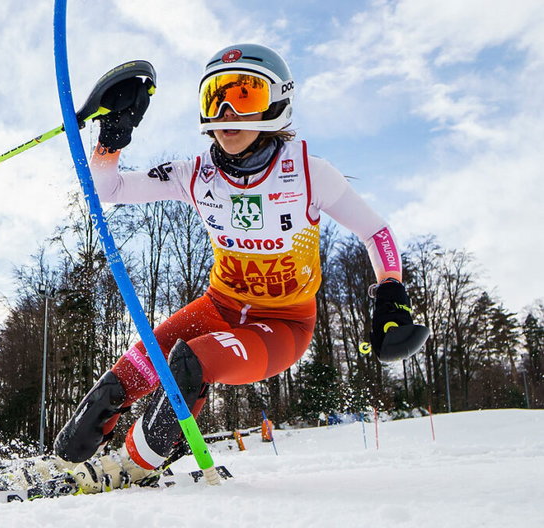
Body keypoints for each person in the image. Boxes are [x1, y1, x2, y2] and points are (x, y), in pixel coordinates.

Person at [50, 43, 417, 492]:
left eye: (244, 97)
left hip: (281, 325)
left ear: (278, 101)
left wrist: (391, 292)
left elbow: (375, 230)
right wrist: (112, 136)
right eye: (215, 98)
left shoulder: (309, 174)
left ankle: (135, 464)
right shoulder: (196, 173)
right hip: (218, 306)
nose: (227, 113)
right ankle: (62, 462)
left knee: (190, 366)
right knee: (126, 375)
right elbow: (109, 189)